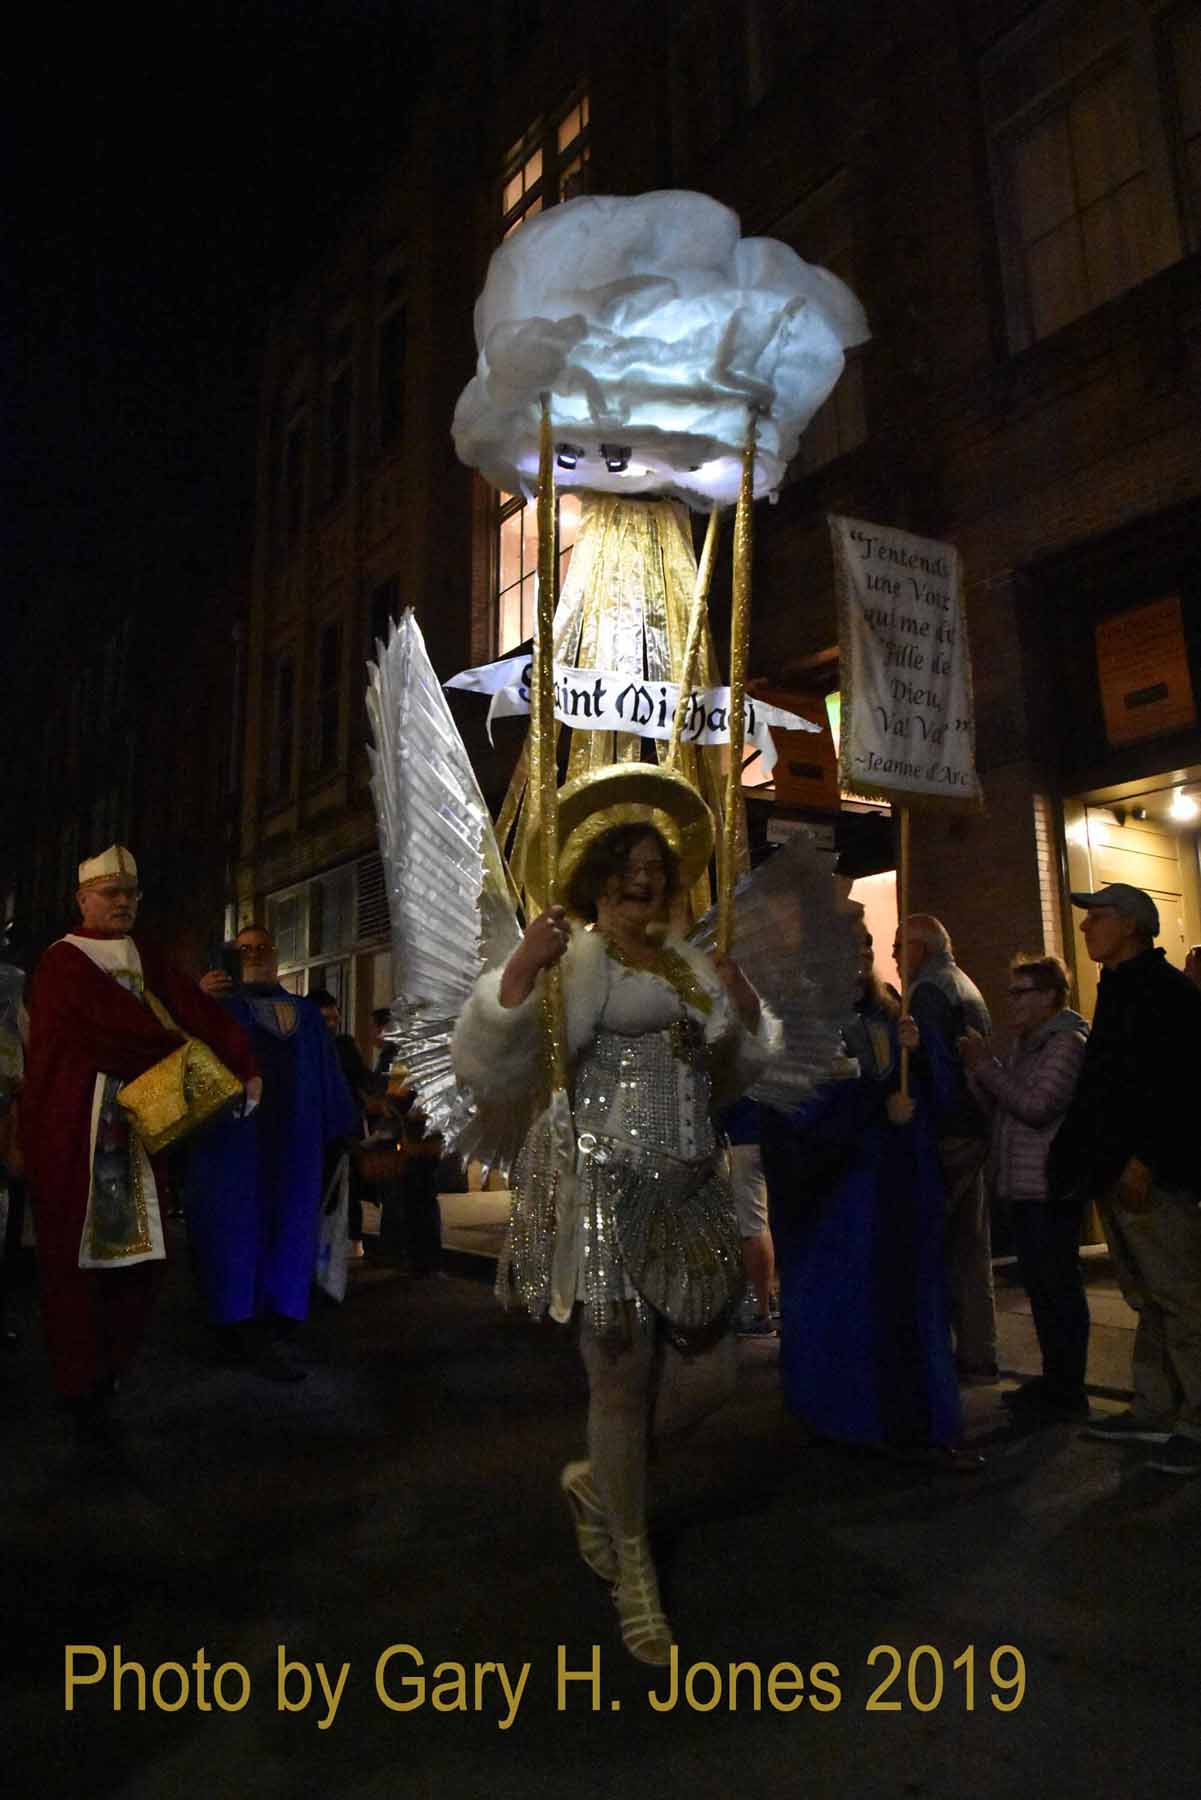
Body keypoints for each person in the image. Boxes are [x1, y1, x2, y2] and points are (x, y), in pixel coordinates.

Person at [453, 815, 778, 1666]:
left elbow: (733, 1074)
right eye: (624, 869)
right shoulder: (578, 957)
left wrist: (745, 1012)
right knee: (621, 1383)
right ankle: (633, 1571)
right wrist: (521, 970)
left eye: (654, 870)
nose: (640, 882)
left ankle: (603, 1481)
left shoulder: (690, 963)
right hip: (603, 1188)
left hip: (691, 1187)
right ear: (598, 880)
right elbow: (493, 1067)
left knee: (715, 1371)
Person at [21, 847, 259, 1426]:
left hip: (134, 1127)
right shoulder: (63, 961)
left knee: (139, 1255)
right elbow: (113, 1031)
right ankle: (81, 1381)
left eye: (131, 893)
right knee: (80, 1258)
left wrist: (241, 1060)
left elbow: (190, 1006)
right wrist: (187, 1054)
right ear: (83, 900)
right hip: (80, 1127)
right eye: (110, 893)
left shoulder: (141, 952)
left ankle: (110, 1366)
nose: (123, 902)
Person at [761, 929, 969, 1462]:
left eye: (866, 952)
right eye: (844, 951)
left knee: (908, 1302)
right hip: (839, 1200)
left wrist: (919, 1057)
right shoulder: (804, 1026)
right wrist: (878, 1105)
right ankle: (844, 1420)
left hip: (898, 1189)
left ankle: (915, 1418)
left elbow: (935, 1095)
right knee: (846, 1309)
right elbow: (801, 1115)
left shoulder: (889, 1016)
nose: (858, 962)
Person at [1049, 884, 1201, 1475]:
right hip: (1118, 1173)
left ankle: (1193, 1419)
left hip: (1153, 1177)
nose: (1085, 928)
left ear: (1132, 926)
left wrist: (1148, 1160)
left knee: (1181, 1298)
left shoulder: (1165, 994)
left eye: (1098, 917)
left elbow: (1181, 1089)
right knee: (1146, 1296)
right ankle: (1157, 1407)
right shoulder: (1119, 990)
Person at [185, 926, 359, 1379]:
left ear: (277, 956)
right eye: (244, 950)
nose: (254, 955)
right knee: (236, 1230)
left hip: (294, 1146)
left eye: (262, 948)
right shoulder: (218, 1007)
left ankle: (278, 1322)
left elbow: (329, 1077)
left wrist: (341, 1131)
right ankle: (234, 1324)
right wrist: (197, 1001)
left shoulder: (306, 1014)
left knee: (289, 1227)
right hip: (235, 1145)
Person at [960, 955, 1090, 1421]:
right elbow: (1005, 1105)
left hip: (1051, 1188)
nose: (1010, 1002)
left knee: (1059, 1291)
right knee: (1042, 1291)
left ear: (1050, 996)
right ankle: (1054, 1383)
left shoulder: (1066, 1044)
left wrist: (987, 1067)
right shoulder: (1028, 1045)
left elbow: (1037, 1105)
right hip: (1025, 1184)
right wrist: (982, 1071)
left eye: (1021, 992)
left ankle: (1068, 1391)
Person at [894, 913, 997, 1384]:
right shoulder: (964, 984)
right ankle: (979, 1352)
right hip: (974, 1127)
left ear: (919, 950)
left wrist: (922, 1120)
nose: (894, 957)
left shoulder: (928, 992)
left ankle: (943, 1354)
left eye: (899, 947)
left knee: (941, 1245)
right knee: (971, 1248)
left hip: (948, 1132)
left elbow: (936, 1069)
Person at [309, 988, 378, 1261]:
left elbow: (363, 1078)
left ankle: (350, 1242)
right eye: (325, 1019)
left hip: (341, 1131)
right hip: (310, 1132)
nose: (331, 1025)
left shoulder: (343, 1047)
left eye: (334, 1018)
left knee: (345, 1187)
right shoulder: (300, 1047)